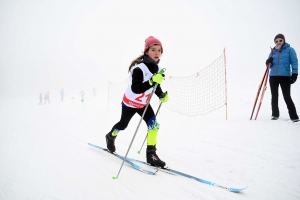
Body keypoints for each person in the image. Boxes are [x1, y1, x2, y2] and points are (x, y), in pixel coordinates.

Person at [105, 36, 169, 168]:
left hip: (143, 104)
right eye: (153, 49)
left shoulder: (158, 68)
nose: (157, 53)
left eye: (159, 50)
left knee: (154, 126)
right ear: (146, 52)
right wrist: (152, 81)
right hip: (130, 103)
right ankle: (110, 136)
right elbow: (136, 89)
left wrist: (161, 95)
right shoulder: (138, 68)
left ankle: (151, 155)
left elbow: (154, 86)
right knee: (123, 125)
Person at [265, 33, 299, 122]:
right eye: (276, 41)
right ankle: (275, 114)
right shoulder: (273, 52)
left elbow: (294, 62)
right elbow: (270, 66)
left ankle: (294, 116)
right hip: (273, 77)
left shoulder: (290, 50)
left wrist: (294, 74)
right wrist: (268, 62)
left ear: (284, 41)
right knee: (274, 96)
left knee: (287, 96)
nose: (278, 42)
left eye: (280, 40)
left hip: (285, 76)